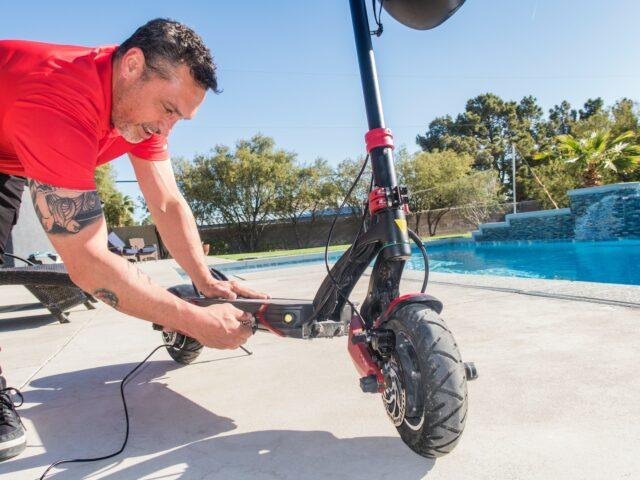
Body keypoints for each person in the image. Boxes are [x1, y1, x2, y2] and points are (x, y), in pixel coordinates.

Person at [0, 18, 269, 462]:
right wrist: (194, 321)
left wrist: (206, 282)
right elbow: (87, 263)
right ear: (131, 65)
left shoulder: (139, 105)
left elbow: (166, 203)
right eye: (168, 110)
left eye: (179, 118)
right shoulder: (58, 103)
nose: (167, 130)